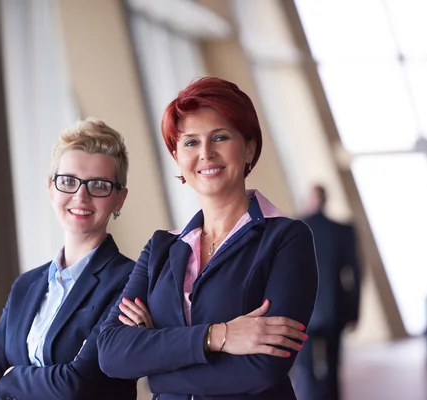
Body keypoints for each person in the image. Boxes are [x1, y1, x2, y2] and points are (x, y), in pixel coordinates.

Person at [96, 77, 318, 400]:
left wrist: (156, 374)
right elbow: (111, 351)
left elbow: (264, 367)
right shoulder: (161, 248)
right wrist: (218, 336)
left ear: (249, 147)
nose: (206, 153)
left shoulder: (286, 239)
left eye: (220, 137)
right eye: (190, 143)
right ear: (177, 157)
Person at [0, 118, 137, 400]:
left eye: (98, 185)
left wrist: (12, 377)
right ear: (51, 188)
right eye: (68, 181)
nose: (80, 196)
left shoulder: (130, 281)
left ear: (119, 199)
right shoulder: (26, 285)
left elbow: (77, 385)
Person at [293, 184, 361, 400]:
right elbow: (355, 275)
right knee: (332, 367)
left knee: (306, 369)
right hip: (335, 309)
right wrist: (354, 310)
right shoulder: (342, 230)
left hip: (303, 311)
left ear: (310, 200)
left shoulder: (295, 228)